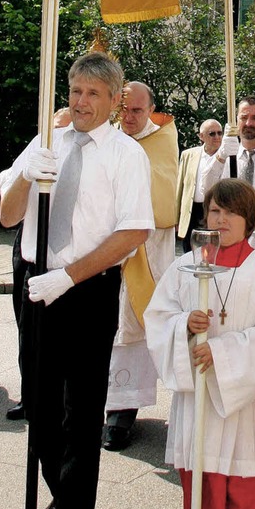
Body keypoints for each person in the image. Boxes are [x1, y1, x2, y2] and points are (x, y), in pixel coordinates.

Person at [0, 52, 154, 509]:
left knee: (82, 409)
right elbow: (7, 216)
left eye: (92, 93)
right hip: (35, 285)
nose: (81, 102)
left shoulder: (125, 154)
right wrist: (27, 175)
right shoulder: (46, 140)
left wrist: (69, 276)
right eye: (75, 91)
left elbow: (133, 232)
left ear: (113, 99)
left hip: (86, 289)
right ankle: (61, 493)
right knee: (39, 404)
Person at [145, 179, 255, 509]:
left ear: (249, 218)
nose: (221, 219)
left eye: (231, 212)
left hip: (244, 406)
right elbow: (158, 318)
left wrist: (221, 353)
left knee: (244, 493)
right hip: (199, 403)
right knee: (202, 490)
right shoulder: (185, 266)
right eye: (214, 211)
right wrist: (185, 327)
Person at [104, 82, 178, 451]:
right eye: (124, 110)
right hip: (102, 250)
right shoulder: (106, 136)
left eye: (137, 111)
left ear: (150, 110)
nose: (129, 118)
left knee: (132, 331)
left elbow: (165, 204)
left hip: (144, 252)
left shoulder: (161, 143)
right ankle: (100, 406)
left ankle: (121, 413)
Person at [0, 108, 72, 422]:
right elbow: (5, 183)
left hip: (64, 253)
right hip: (28, 242)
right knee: (28, 330)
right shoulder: (41, 142)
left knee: (61, 343)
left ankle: (61, 401)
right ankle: (30, 396)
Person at [176, 118, 225, 253]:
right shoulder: (189, 155)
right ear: (201, 136)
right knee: (189, 250)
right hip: (192, 211)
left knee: (211, 250)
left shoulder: (228, 156)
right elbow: (180, 186)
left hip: (214, 210)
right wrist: (177, 217)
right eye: (212, 133)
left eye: (220, 133)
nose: (217, 137)